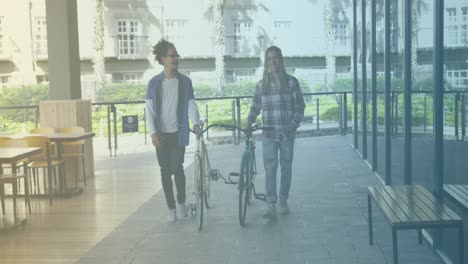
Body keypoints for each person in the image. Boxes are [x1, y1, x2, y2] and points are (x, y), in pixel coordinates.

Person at [246, 46, 305, 219]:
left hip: (287, 134)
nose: (272, 62)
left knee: (286, 167)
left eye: (275, 58)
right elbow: (255, 106)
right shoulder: (261, 85)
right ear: (266, 63)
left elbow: (300, 108)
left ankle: (283, 200)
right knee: (270, 168)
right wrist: (248, 121)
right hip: (269, 134)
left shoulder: (292, 82)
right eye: (269, 59)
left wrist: (291, 127)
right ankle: (271, 204)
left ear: (281, 60)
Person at [146, 39, 200, 223]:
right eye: (172, 56)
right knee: (165, 171)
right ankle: (170, 208)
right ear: (163, 59)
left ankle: (181, 203)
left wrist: (196, 122)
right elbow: (149, 110)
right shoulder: (154, 83)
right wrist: (153, 133)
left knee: (178, 168)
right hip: (161, 134)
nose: (176, 59)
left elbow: (190, 104)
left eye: (177, 55)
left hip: (178, 132)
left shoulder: (185, 82)